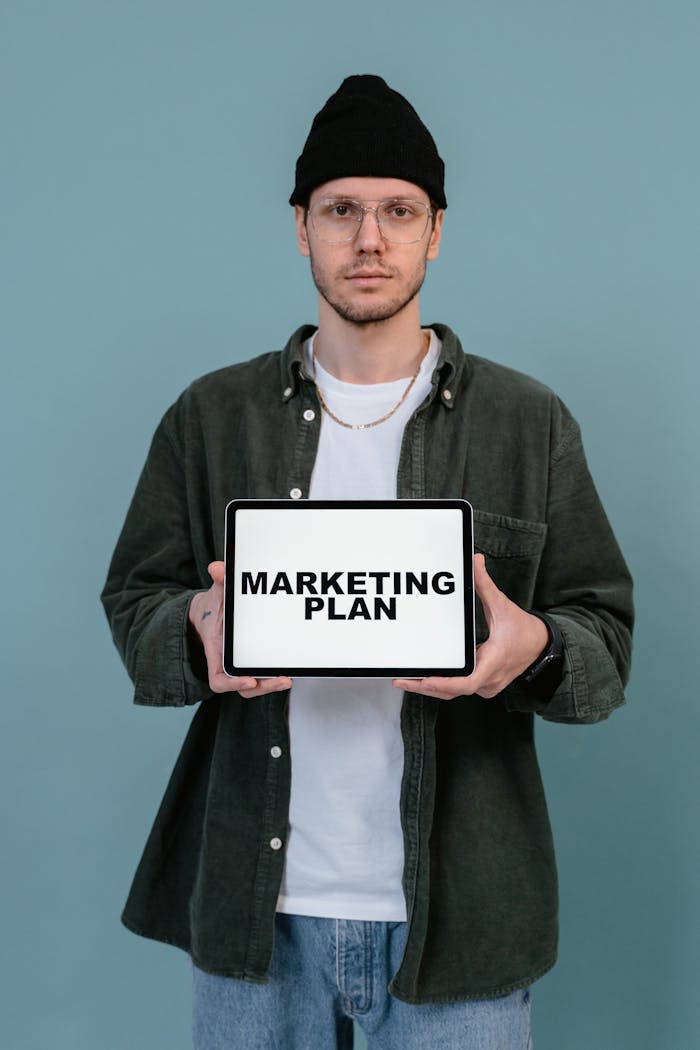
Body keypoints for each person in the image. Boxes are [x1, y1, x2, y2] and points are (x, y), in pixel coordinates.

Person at [102, 75, 633, 1050]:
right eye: (341, 210)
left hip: (461, 920)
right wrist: (194, 630)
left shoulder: (526, 422)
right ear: (299, 225)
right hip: (254, 915)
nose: (369, 238)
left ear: (437, 231)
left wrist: (537, 648)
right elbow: (135, 598)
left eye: (398, 211)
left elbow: (603, 646)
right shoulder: (211, 417)